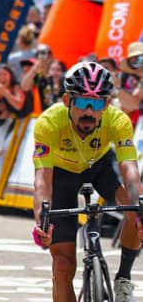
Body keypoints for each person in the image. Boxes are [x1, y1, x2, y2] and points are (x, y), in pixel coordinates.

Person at [33, 61, 143, 302]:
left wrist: (140, 209)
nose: (90, 112)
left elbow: (129, 168)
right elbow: (43, 179)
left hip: (99, 167)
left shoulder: (118, 120)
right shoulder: (48, 122)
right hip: (61, 176)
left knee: (135, 208)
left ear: (107, 104)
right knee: (62, 266)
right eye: (83, 103)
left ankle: (123, 279)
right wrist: (42, 221)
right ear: (67, 100)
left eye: (98, 104)